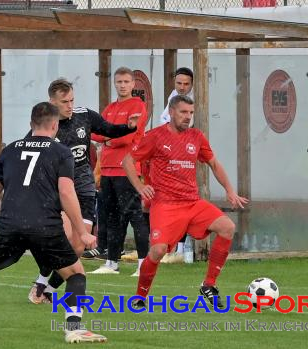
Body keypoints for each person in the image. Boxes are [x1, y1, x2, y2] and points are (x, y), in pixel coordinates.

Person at [0, 102, 106, 344]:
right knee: (76, 274)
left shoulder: (10, 150)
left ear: (31, 125)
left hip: (9, 223)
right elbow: (67, 193)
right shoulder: (61, 152)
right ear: (55, 125)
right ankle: (74, 328)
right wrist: (82, 231)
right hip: (45, 224)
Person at [122, 95, 249, 309]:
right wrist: (141, 187)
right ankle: (140, 297)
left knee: (227, 227)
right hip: (166, 204)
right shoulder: (155, 136)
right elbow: (128, 161)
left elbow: (214, 164)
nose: (187, 117)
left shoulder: (196, 136)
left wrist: (230, 190)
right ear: (171, 112)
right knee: (158, 251)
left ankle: (209, 284)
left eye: (190, 113)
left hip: (192, 202)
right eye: (183, 112)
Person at [27, 78, 140, 304]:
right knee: (65, 238)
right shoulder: (44, 126)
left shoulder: (84, 116)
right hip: (58, 191)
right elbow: (28, 156)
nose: (70, 106)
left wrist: (128, 127)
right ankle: (41, 279)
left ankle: (48, 288)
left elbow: (107, 129)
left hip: (84, 189)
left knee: (78, 245)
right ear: (52, 102)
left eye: (72, 100)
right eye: (64, 102)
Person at [90, 67, 150, 276]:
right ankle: (112, 263)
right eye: (119, 82)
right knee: (112, 217)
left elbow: (127, 137)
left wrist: (108, 139)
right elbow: (95, 132)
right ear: (114, 83)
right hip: (107, 170)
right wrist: (108, 137)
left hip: (127, 170)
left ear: (133, 84)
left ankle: (144, 264)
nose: (122, 85)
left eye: (126, 82)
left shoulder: (138, 106)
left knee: (135, 217)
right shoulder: (110, 108)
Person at [158, 67, 195, 256]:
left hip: (185, 159)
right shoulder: (172, 96)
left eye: (186, 84)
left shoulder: (191, 103)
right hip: (170, 157)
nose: (182, 87)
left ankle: (182, 249)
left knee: (183, 204)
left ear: (192, 84)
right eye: (179, 83)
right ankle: (173, 247)